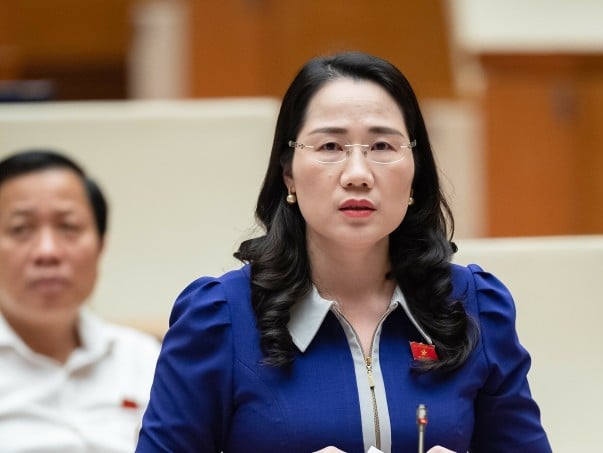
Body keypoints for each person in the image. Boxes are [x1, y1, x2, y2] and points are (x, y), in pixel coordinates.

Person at [136, 51, 551, 453]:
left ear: (415, 172)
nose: (357, 175)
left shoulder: (474, 305)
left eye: (383, 147)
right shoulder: (220, 318)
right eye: (330, 147)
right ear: (288, 174)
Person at [0, 149, 160, 452]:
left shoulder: (143, 359)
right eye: (21, 229)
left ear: (100, 245)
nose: (47, 252)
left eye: (68, 227)